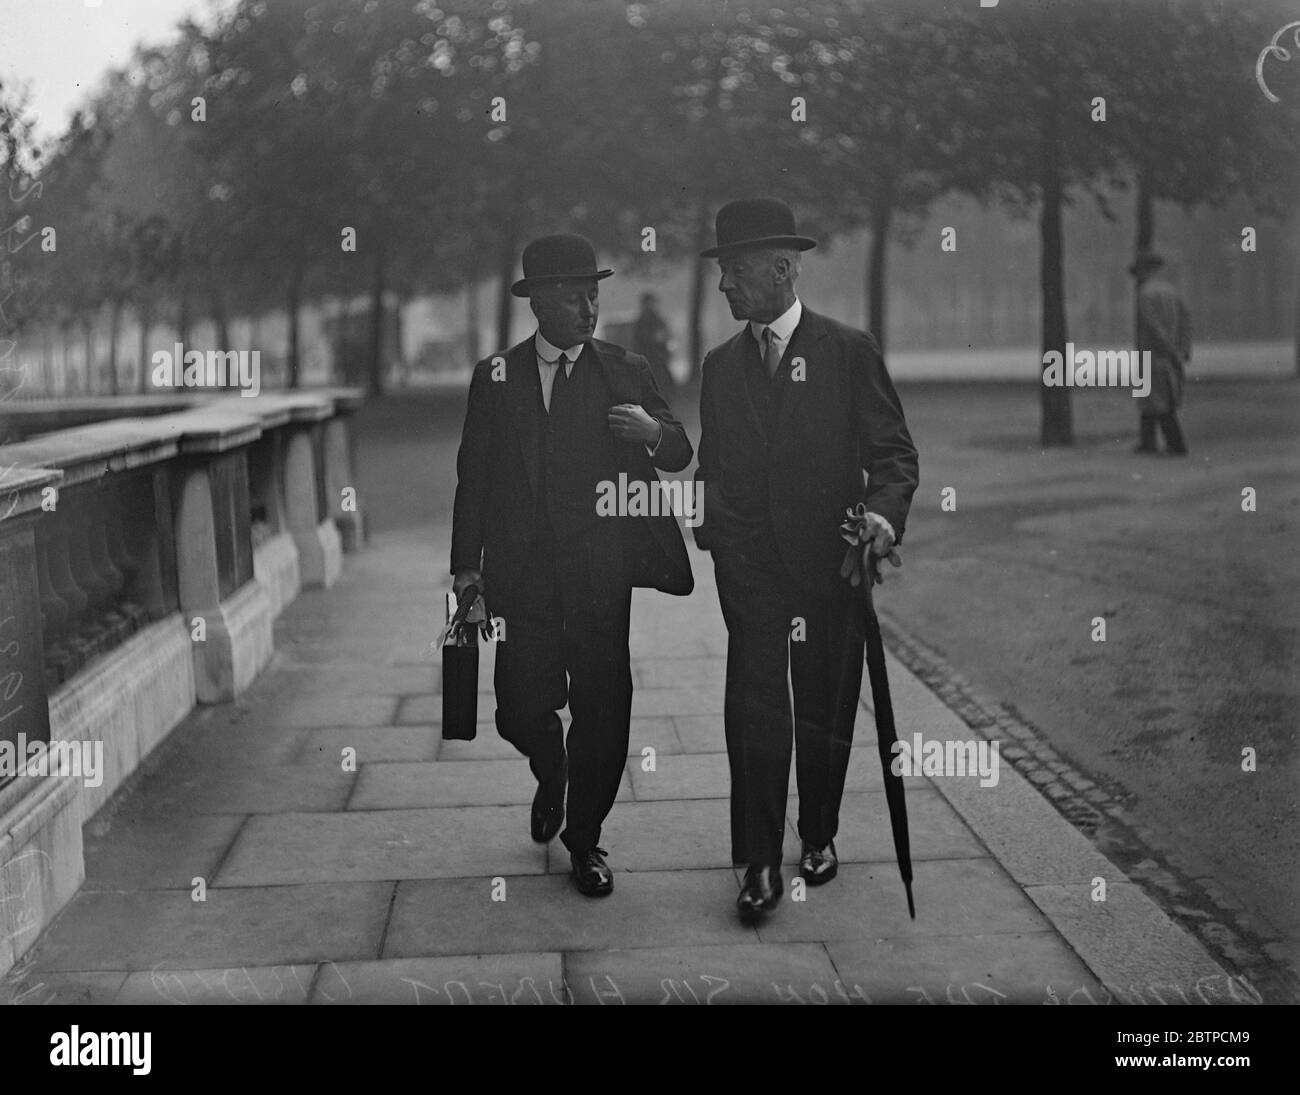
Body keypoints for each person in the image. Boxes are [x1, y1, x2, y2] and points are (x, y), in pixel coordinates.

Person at [692, 198, 919, 919]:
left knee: (823, 706)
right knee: (755, 709)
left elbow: (894, 455)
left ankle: (817, 832)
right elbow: (714, 463)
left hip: (830, 567)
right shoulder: (720, 365)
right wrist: (711, 522)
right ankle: (757, 861)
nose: (725, 285)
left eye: (736, 271)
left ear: (783, 269)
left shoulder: (848, 351)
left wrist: (880, 517)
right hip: (750, 570)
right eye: (724, 271)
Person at [451, 233, 693, 897]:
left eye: (593, 294)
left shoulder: (624, 368)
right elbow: (472, 477)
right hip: (521, 575)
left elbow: (677, 449)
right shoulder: (496, 378)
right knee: (516, 709)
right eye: (573, 296)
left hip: (600, 575)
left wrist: (653, 432)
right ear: (539, 304)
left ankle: (584, 838)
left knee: (603, 707)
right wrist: (464, 572)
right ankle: (551, 768)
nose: (588, 307)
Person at [1130, 251, 1191, 455]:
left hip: (1153, 354)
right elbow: (1185, 320)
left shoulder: (1145, 294)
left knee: (1157, 401)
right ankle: (1147, 440)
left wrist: (1169, 349)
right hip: (1168, 353)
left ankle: (1175, 444)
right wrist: (1183, 349)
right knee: (1156, 397)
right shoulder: (1172, 292)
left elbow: (1153, 326)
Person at [632, 292, 676, 394]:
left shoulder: (658, 320)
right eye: (648, 303)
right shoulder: (641, 321)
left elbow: (665, 336)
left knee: (664, 379)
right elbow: (638, 339)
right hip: (647, 355)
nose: (650, 306)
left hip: (658, 355)